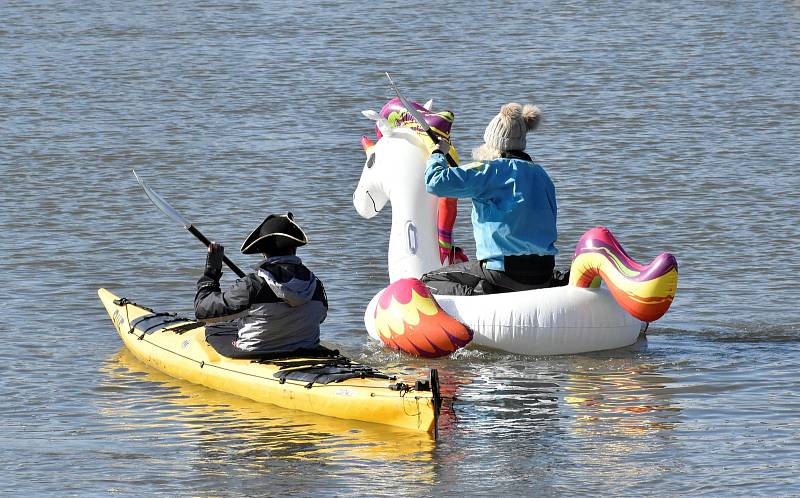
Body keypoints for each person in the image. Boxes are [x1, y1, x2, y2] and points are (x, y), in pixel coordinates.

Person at [421, 102, 568, 296]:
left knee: (427, 281)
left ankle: (478, 297)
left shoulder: (489, 170)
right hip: (543, 271)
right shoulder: (542, 176)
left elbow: (434, 181)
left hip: (503, 273)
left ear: (494, 145)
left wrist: (438, 152)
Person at [194, 212, 329, 358]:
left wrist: (211, 271)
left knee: (213, 328)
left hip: (256, 351)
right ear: (294, 248)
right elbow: (320, 318)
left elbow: (202, 311)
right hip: (306, 349)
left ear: (263, 252)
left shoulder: (251, 286)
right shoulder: (316, 285)